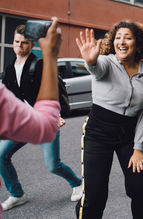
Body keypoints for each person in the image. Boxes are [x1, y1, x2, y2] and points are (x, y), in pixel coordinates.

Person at [75, 21, 143, 219]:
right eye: (118, 37)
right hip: (98, 134)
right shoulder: (106, 63)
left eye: (127, 37)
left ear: (137, 43)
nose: (121, 42)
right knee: (95, 195)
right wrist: (91, 61)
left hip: (129, 136)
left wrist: (138, 149)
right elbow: (96, 69)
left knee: (140, 190)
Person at [0, 24, 83, 211]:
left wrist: (58, 114)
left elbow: (55, 88)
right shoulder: (10, 69)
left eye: (24, 43)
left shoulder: (39, 65)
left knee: (53, 165)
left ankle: (77, 183)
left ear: (32, 45)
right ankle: (17, 194)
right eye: (16, 42)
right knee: (1, 155)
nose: (19, 46)